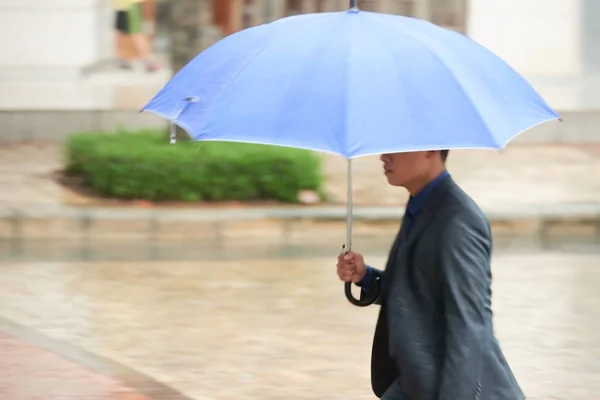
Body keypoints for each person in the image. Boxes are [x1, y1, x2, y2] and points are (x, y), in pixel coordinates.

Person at [336, 150, 524, 400]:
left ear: (430, 150)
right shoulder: (422, 205)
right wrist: (366, 277)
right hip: (418, 379)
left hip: (450, 387)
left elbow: (467, 323)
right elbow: (419, 290)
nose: (384, 157)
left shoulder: (459, 220)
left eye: (396, 148)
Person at [112, 0, 159, 72]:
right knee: (121, 34)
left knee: (136, 34)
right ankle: (123, 60)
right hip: (121, 7)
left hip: (130, 7)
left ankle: (148, 61)